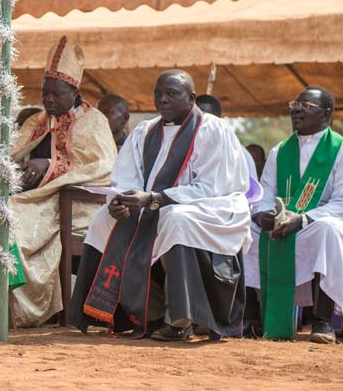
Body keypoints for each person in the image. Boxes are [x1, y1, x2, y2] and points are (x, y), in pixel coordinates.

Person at [68, 70, 251, 341]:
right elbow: (125, 178)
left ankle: (179, 320)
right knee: (103, 220)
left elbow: (212, 187)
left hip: (212, 207)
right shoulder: (145, 131)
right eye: (158, 94)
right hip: (154, 204)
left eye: (172, 94)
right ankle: (125, 314)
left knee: (176, 219)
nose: (163, 100)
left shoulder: (212, 130)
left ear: (191, 98)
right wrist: (120, 202)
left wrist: (154, 198)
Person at [0, 36, 117, 325]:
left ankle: (14, 308)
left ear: (74, 91)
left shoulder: (93, 120)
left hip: (73, 201)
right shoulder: (37, 121)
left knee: (9, 217)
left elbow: (102, 166)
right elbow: (12, 154)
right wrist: (11, 171)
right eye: (44, 93)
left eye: (55, 94)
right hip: (32, 195)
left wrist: (50, 165)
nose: (48, 100)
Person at [244, 87, 343, 344]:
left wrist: (302, 219)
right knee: (246, 231)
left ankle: (323, 322)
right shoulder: (280, 151)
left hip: (323, 222)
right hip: (285, 223)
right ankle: (254, 317)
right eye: (295, 104)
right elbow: (265, 193)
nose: (297, 110)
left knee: (328, 230)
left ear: (326, 114)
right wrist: (262, 215)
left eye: (307, 106)